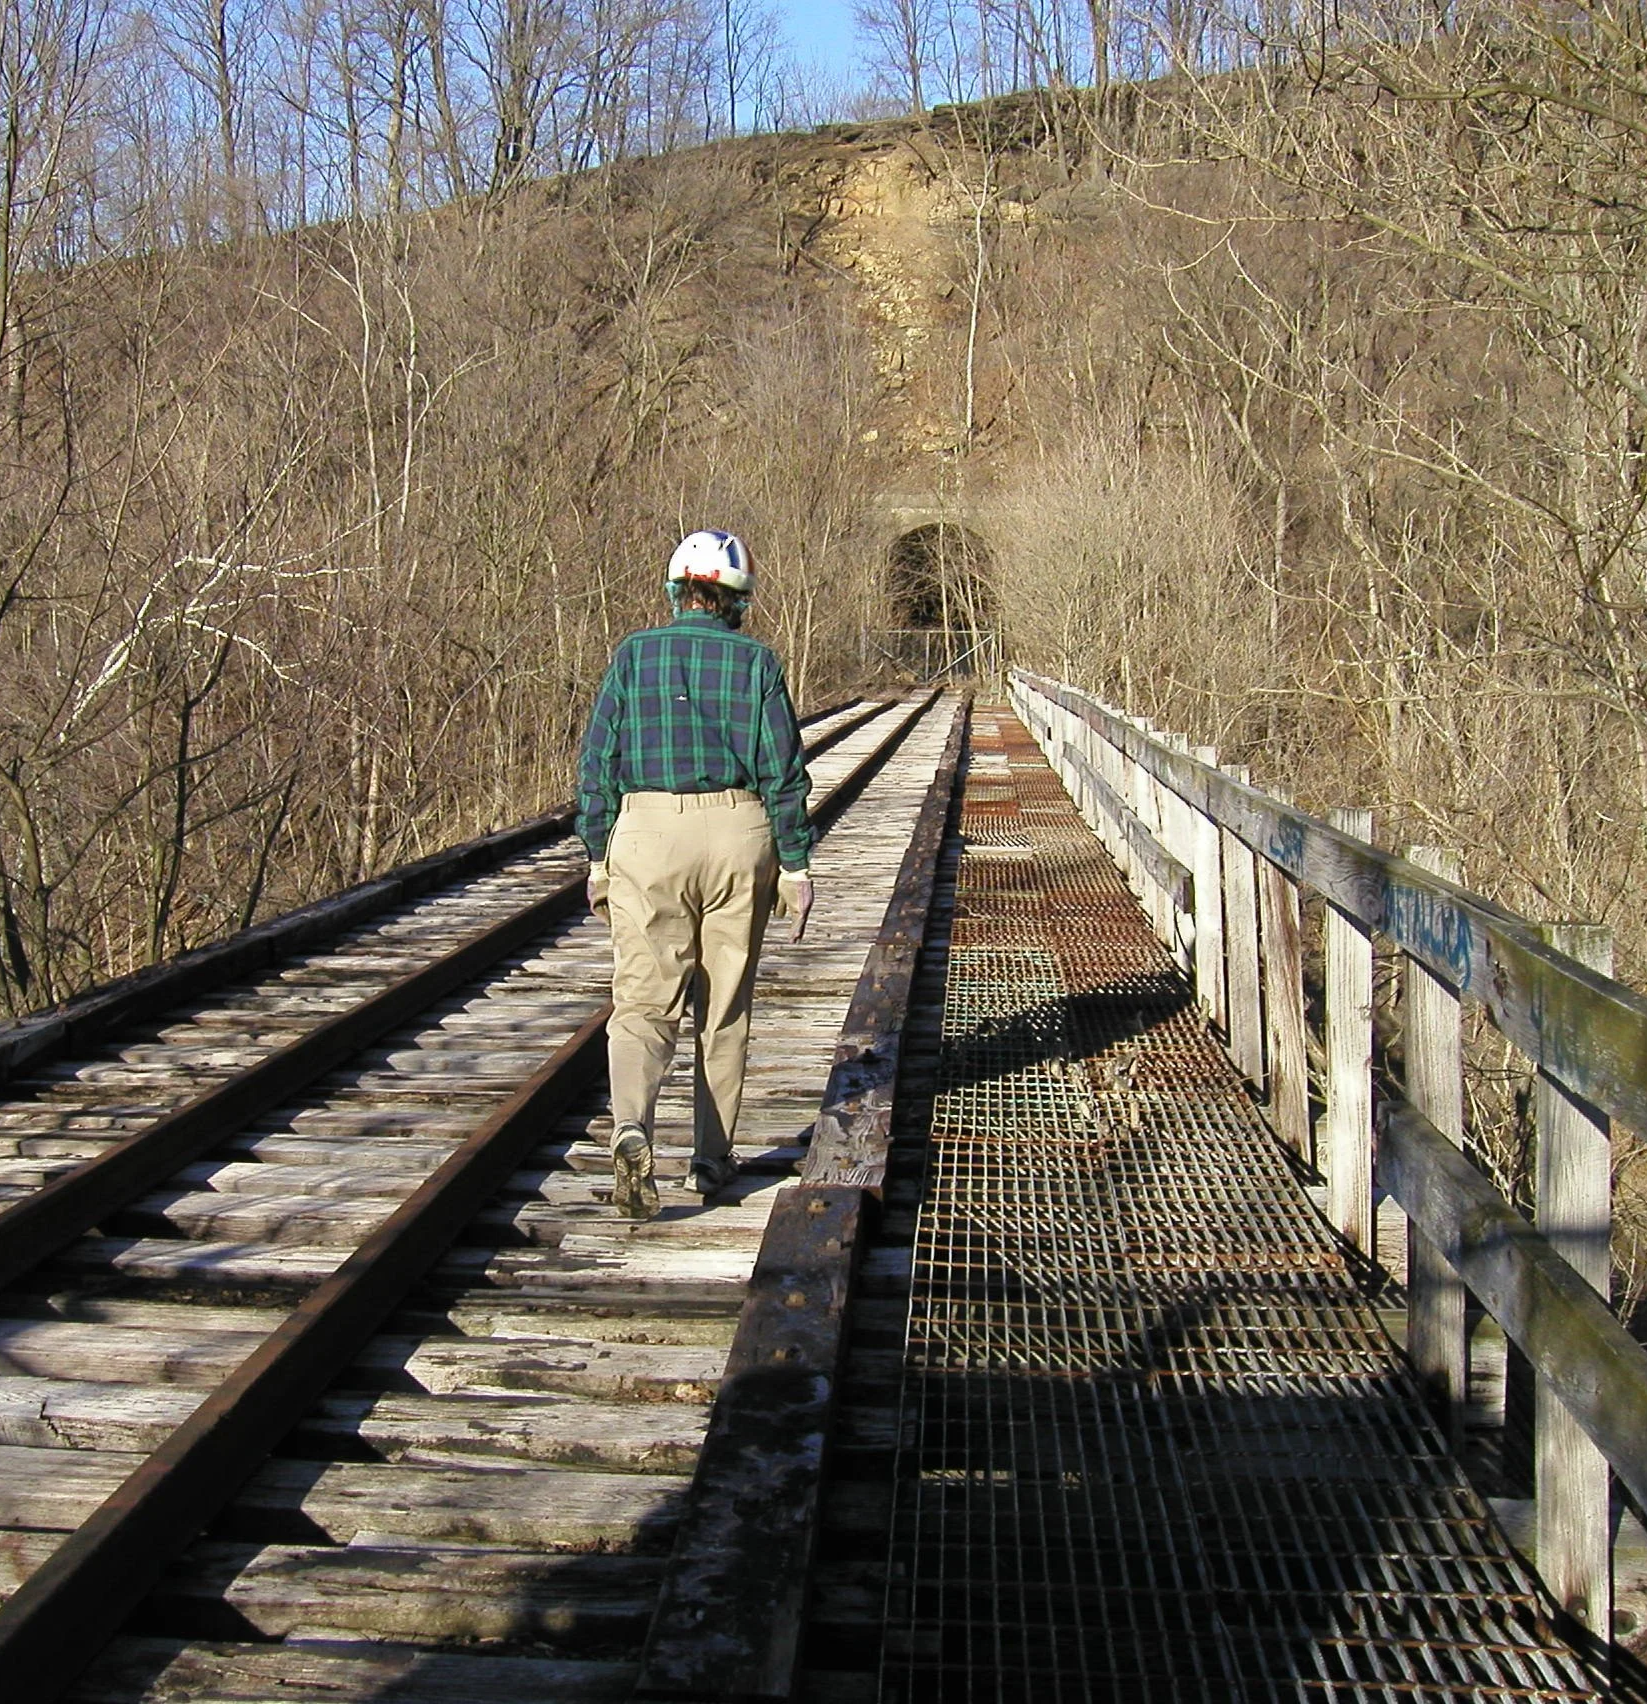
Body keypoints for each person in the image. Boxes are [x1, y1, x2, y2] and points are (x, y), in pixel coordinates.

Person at [576, 530, 815, 1219]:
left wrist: (598, 855)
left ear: (676, 590)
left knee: (643, 1003)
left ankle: (631, 1126)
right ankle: (711, 1158)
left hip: (648, 834)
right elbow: (782, 772)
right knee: (724, 1005)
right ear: (737, 599)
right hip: (739, 833)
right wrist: (795, 866)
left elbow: (598, 763)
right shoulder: (757, 662)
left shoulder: (633, 655)